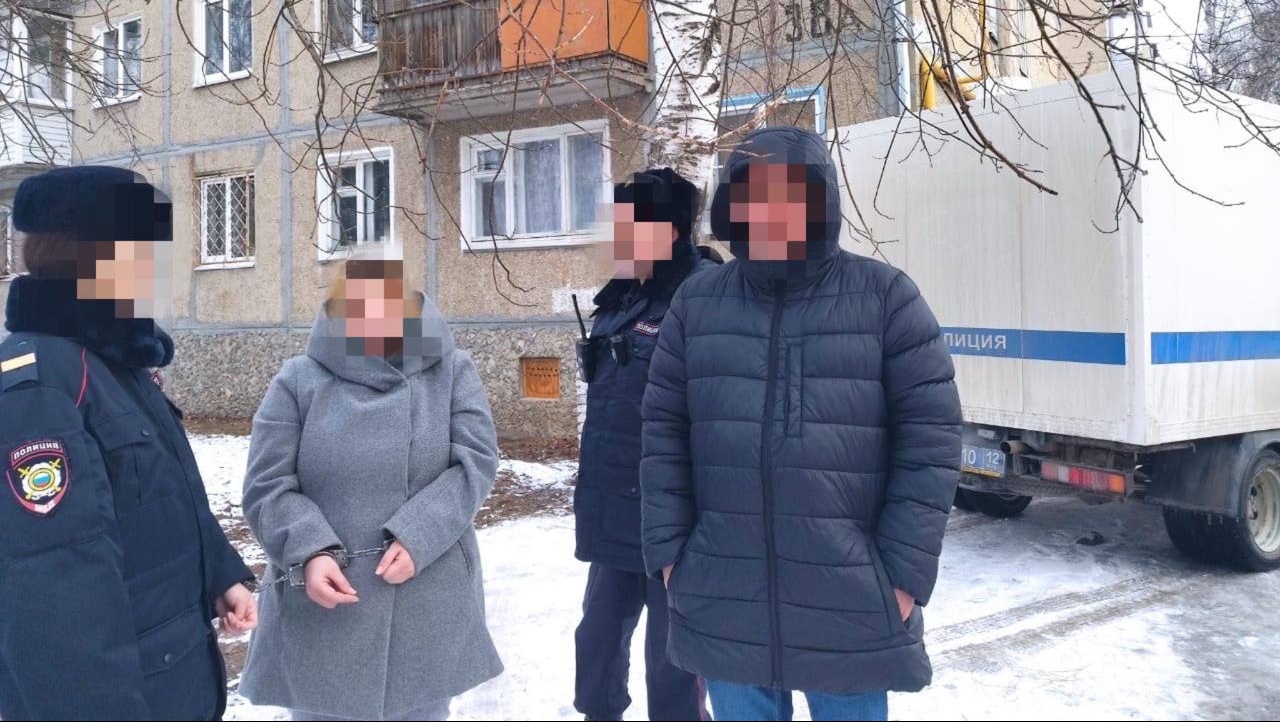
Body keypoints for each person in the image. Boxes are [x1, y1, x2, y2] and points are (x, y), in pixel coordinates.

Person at [640, 127, 963, 721]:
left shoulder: (885, 297)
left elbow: (931, 442)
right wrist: (671, 558)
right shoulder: (697, 303)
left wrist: (902, 576)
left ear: (820, 201)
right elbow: (662, 435)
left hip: (850, 600)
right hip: (724, 594)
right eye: (754, 194)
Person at [0, 165, 257, 720]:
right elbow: (55, 598)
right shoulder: (41, 387)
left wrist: (219, 573)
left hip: (172, 681)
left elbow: (162, 494)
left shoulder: (116, 364)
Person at [239, 251, 503, 722]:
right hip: (322, 612)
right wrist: (310, 550)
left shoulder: (452, 372)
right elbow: (267, 485)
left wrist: (419, 534)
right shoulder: (297, 381)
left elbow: (475, 462)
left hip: (427, 600)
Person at [573, 168, 719, 722]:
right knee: (597, 638)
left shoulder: (703, 297)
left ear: (671, 231)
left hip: (675, 514)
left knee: (673, 658)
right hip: (613, 503)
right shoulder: (619, 297)